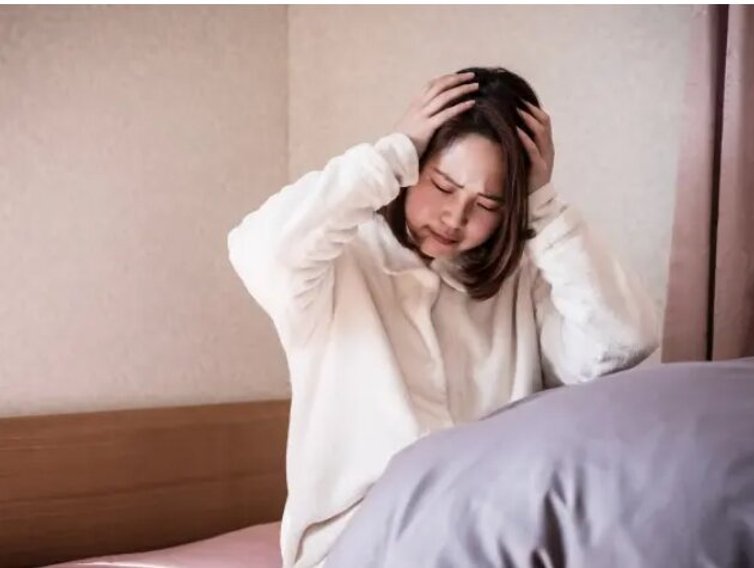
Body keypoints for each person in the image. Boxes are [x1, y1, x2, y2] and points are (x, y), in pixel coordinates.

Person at [227, 66, 659, 568]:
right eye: (443, 185)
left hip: (493, 527)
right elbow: (259, 250)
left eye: (488, 204)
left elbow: (622, 341)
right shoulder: (336, 265)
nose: (456, 218)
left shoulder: (523, 280)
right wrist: (392, 152)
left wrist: (545, 208)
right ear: (414, 167)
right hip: (359, 543)